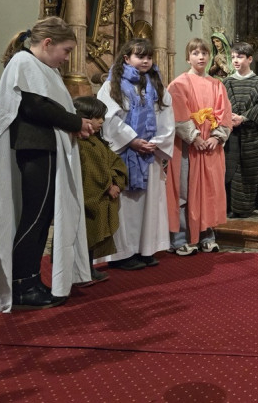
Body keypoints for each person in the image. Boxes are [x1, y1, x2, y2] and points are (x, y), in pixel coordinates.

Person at [0, 17, 95, 313]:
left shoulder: (42, 67)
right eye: (66, 51)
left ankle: (30, 280)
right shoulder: (24, 62)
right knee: (35, 217)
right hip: (37, 148)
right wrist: (77, 122)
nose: (66, 58)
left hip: (45, 148)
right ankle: (22, 285)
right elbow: (36, 107)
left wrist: (75, 123)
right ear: (48, 43)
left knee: (41, 217)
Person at [97, 38, 174, 270]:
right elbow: (108, 118)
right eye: (140, 56)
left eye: (149, 57)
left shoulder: (157, 86)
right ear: (126, 58)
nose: (146, 61)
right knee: (126, 208)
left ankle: (145, 248)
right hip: (125, 154)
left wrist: (155, 143)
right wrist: (131, 140)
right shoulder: (112, 86)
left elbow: (167, 118)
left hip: (149, 154)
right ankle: (123, 254)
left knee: (149, 205)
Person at [166, 38, 232, 255]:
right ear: (188, 58)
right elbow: (177, 113)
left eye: (204, 53)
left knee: (209, 191)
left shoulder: (217, 85)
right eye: (195, 53)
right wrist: (194, 137)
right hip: (187, 146)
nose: (201, 57)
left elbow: (225, 113)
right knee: (184, 191)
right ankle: (180, 239)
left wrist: (217, 137)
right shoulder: (178, 84)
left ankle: (207, 235)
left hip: (210, 146)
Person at [73, 95, 127, 285]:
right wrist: (107, 185)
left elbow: (114, 162)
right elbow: (90, 172)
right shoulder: (79, 144)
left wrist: (116, 182)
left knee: (92, 236)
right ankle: (80, 272)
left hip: (102, 194)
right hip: (88, 197)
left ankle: (87, 268)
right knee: (83, 235)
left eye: (102, 117)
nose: (101, 121)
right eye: (97, 117)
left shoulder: (96, 141)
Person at [223, 42, 258, 218]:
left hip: (252, 135)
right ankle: (232, 208)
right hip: (232, 135)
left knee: (250, 171)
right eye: (233, 57)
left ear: (250, 59)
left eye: (240, 57)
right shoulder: (227, 82)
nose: (236, 60)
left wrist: (243, 118)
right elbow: (221, 104)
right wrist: (230, 117)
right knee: (232, 170)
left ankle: (248, 206)